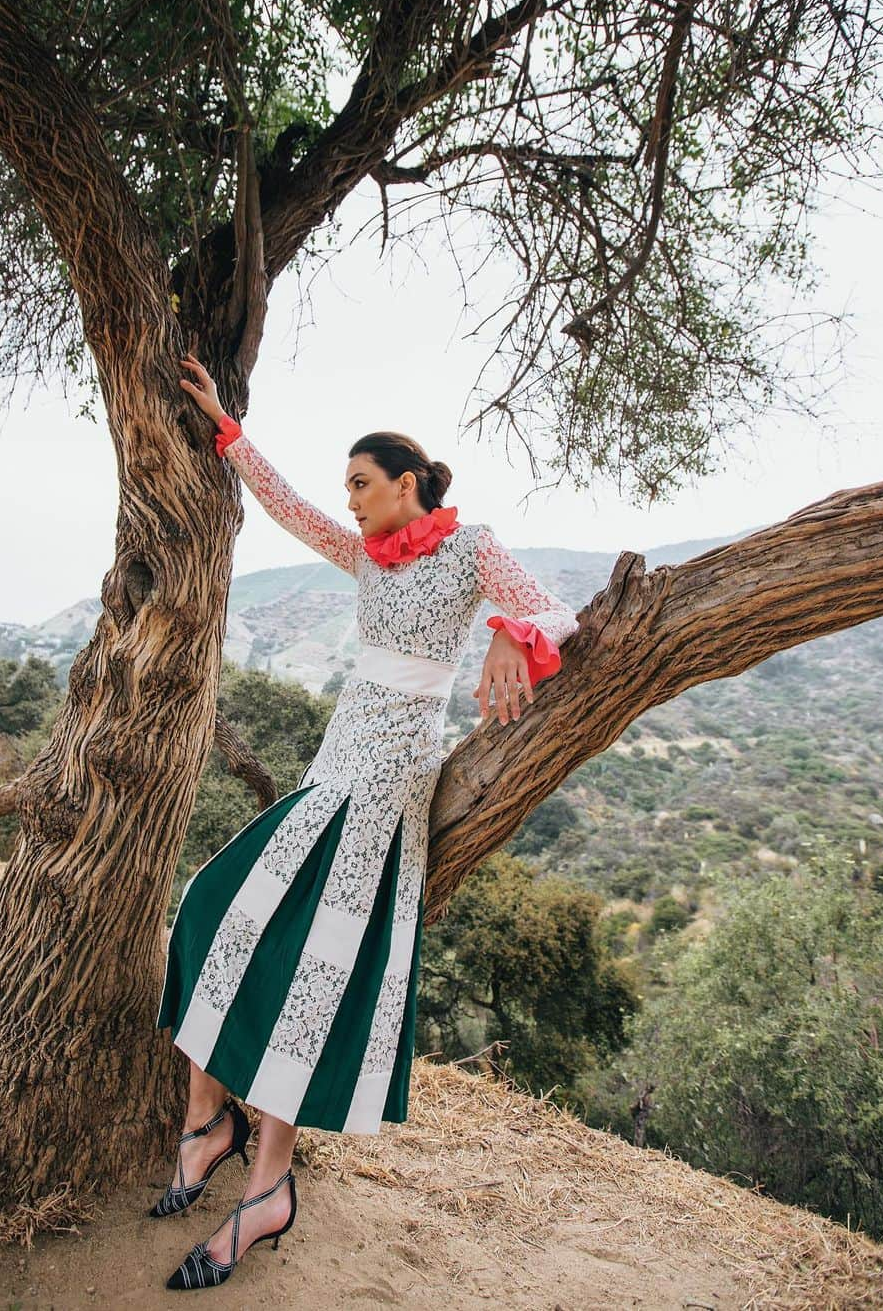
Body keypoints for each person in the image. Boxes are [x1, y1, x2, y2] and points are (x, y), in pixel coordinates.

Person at [152, 354, 581, 1291]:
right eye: (346, 483)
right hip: (332, 761)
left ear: (408, 486)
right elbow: (292, 508)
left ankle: (267, 1184)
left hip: (390, 781)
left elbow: (555, 609)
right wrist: (229, 430)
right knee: (210, 902)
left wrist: (511, 633)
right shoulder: (362, 552)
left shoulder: (472, 550)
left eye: (361, 484)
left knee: (319, 971)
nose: (347, 500)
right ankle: (207, 1122)